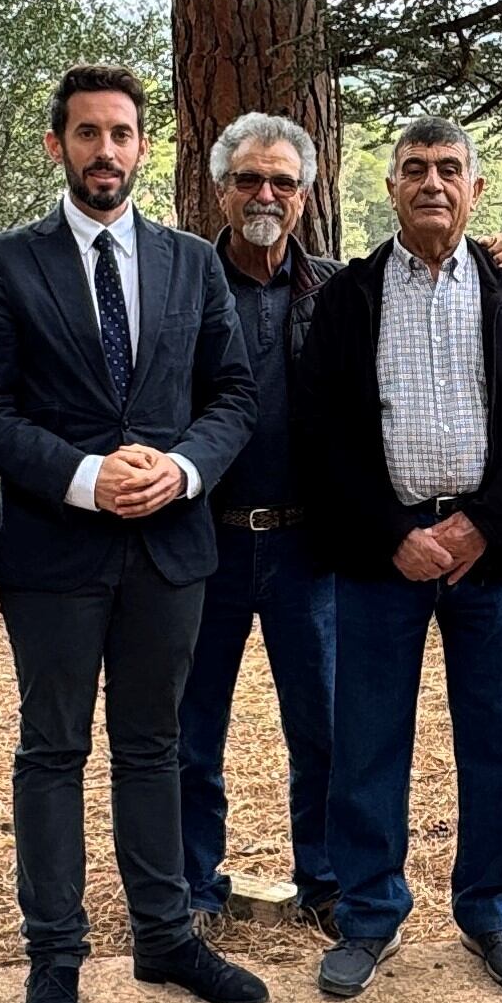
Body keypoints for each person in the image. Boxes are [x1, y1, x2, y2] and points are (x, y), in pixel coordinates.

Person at [0, 64, 270, 1003]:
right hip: (55, 549)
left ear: (143, 146)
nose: (105, 151)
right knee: (51, 752)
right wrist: (88, 477)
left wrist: (179, 470)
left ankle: (165, 937)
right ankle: (55, 959)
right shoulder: (5, 265)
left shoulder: (189, 263)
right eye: (85, 134)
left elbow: (234, 394)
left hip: (170, 545)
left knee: (153, 748)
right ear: (56, 146)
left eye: (121, 134)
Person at [294, 117, 502, 1001]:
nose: (433, 184)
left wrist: (482, 523)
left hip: (490, 555)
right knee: (366, 741)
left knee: (501, 737)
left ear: (475, 190)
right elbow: (322, 436)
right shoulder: (349, 297)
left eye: (450, 169)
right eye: (415, 169)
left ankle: (489, 906)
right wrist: (391, 533)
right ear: (392, 188)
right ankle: (369, 914)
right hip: (384, 557)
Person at [175, 112, 343, 942]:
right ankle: (191, 889)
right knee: (189, 730)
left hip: (309, 547)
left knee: (323, 729)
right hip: (202, 541)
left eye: (281, 181)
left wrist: (501, 261)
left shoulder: (341, 290)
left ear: (306, 195)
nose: (264, 194)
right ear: (221, 189)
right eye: (248, 179)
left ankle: (328, 880)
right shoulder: (176, 281)